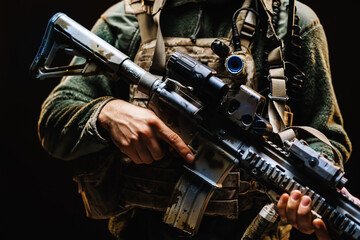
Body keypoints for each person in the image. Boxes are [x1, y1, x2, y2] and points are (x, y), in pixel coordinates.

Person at [37, 0, 354, 239]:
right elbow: (55, 119)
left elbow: (327, 136)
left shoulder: (291, 23)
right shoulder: (128, 19)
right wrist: (107, 113)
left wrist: (307, 189)